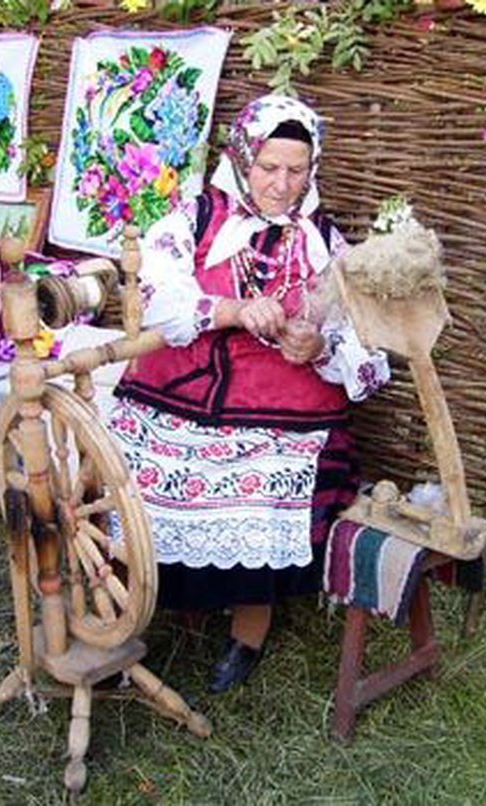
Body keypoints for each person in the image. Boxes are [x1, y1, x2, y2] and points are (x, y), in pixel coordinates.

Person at [108, 94, 389, 694]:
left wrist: (320, 348)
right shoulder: (194, 216)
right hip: (179, 390)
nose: (282, 185)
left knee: (263, 490)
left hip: (283, 407)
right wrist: (232, 309)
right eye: (269, 167)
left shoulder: (326, 244)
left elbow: (369, 352)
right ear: (242, 158)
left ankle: (246, 637)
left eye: (297, 170)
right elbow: (161, 300)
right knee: (140, 481)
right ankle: (136, 617)